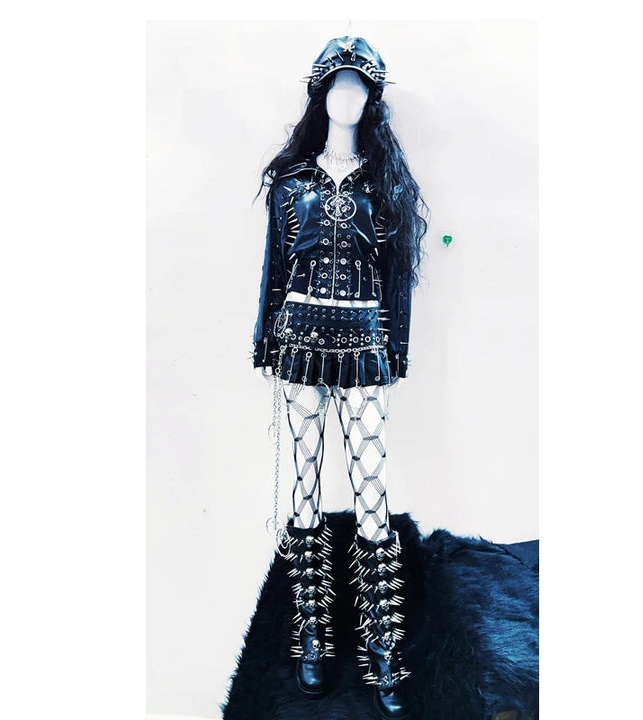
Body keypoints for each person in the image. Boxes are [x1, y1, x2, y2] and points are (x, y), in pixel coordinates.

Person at [252, 36, 427, 720]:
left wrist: (396, 350)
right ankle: (312, 633)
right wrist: (266, 338)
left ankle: (382, 641)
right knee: (303, 482)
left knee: (370, 486)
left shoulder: (386, 186)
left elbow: (398, 281)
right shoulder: (291, 185)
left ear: (372, 99)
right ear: (321, 94)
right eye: (337, 85)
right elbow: (274, 270)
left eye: (358, 86)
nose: (347, 97)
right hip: (299, 336)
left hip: (363, 339)